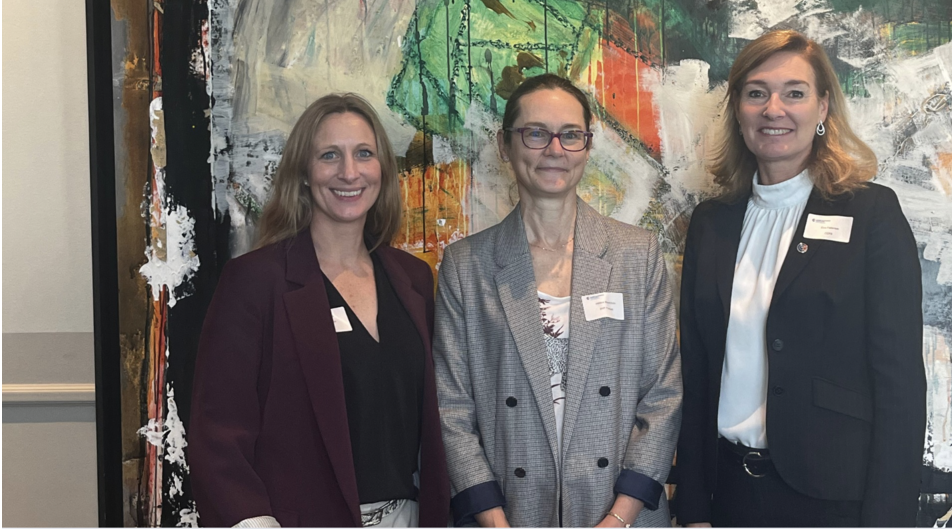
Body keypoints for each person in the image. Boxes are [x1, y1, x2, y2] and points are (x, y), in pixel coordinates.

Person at [674, 30, 926, 528]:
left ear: (823, 107)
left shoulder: (870, 214)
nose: (774, 109)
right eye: (756, 93)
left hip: (833, 502)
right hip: (729, 495)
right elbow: (697, 373)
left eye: (794, 92)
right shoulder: (711, 223)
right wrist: (694, 507)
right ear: (738, 110)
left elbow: (900, 386)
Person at [190, 93, 450, 528]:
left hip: (409, 517)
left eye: (364, 154)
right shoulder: (255, 282)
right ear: (304, 174)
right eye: (329, 155)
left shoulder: (414, 280)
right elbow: (218, 434)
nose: (349, 172)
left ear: (382, 169)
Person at [433, 73, 682, 528]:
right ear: (505, 145)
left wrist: (619, 519)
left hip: (619, 513)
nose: (554, 150)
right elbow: (451, 408)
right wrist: (495, 522)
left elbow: (662, 396)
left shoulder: (636, 254)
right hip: (509, 512)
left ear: (587, 146)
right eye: (536, 133)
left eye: (570, 135)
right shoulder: (466, 266)